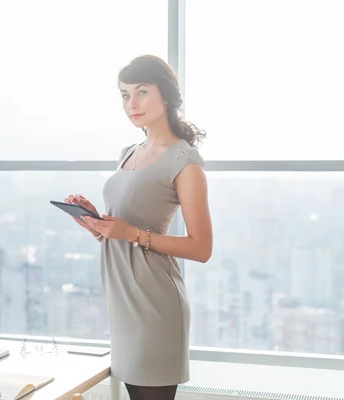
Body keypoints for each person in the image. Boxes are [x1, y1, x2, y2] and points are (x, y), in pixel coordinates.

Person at [64, 54, 213, 400]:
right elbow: (123, 229)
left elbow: (201, 248)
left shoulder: (184, 161)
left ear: (166, 95)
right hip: (123, 305)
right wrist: (96, 223)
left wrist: (130, 233)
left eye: (142, 92)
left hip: (155, 307)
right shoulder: (129, 152)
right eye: (125, 95)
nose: (132, 103)